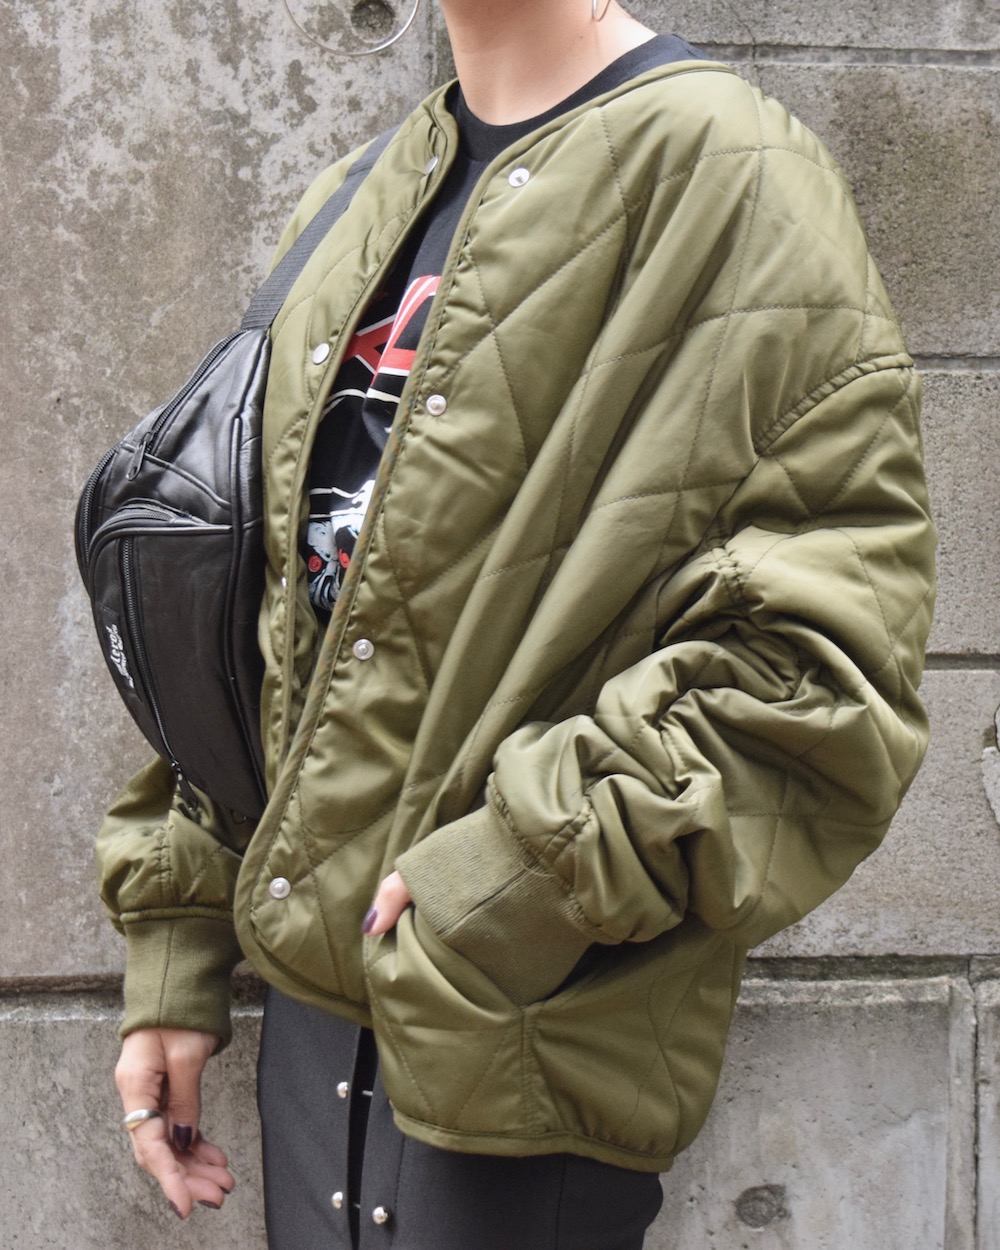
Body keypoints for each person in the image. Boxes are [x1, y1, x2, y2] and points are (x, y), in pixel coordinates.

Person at [98, 1, 936, 1246]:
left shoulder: (733, 175)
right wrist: (179, 944)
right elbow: (257, 625)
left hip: (521, 1046)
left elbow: (818, 675)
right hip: (308, 1041)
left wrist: (507, 884)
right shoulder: (358, 198)